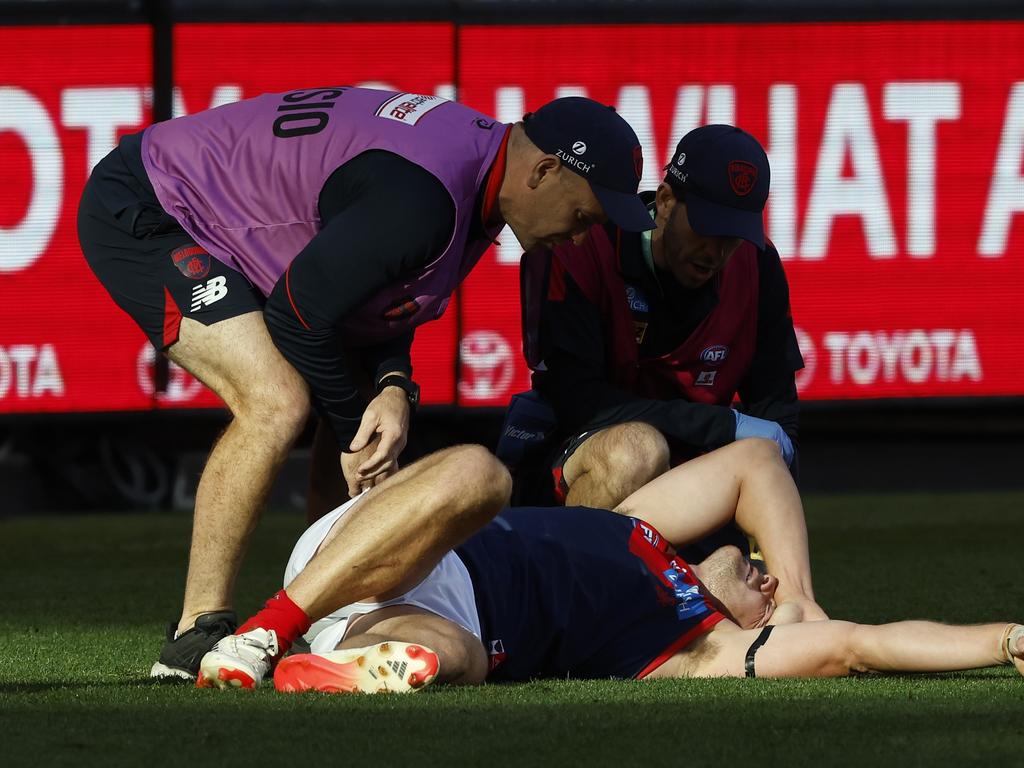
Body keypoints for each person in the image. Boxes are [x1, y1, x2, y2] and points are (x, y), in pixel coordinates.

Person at [77, 87, 654, 680]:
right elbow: (299, 316)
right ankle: (195, 633)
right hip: (153, 205)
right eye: (584, 215)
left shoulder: (476, 177)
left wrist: (393, 384)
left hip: (212, 214)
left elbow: (368, 302)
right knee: (277, 402)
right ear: (544, 171)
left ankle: (331, 604)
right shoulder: (429, 195)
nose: (582, 236)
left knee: (358, 408)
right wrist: (358, 426)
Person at [194, 438, 1024, 692]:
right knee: (481, 474)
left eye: (768, 601)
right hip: (407, 539)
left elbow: (865, 644)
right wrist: (800, 592)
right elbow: (756, 465)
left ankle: (318, 663)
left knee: (450, 662)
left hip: (430, 617)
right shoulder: (640, 532)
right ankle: (273, 629)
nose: (763, 579)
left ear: (754, 635)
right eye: (766, 569)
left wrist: (1006, 640)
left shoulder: (701, 644)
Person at [505, 124, 804, 510]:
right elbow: (580, 402)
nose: (715, 252)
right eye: (705, 228)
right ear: (664, 201)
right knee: (636, 453)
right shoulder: (582, 246)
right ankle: (569, 567)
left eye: (732, 237)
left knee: (736, 564)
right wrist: (724, 425)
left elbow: (777, 412)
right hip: (578, 456)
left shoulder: (757, 264)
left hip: (693, 470)